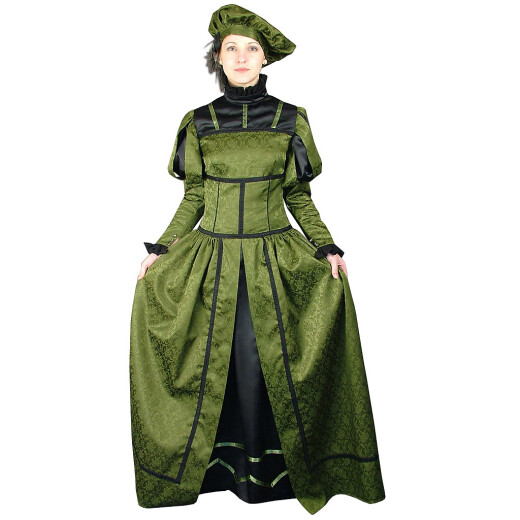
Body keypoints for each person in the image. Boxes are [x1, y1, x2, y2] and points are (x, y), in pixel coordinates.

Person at [130, 4, 386, 515]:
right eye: (232, 49)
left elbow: (298, 196)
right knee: (220, 364)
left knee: (263, 360)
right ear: (219, 58)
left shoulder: (291, 119)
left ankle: (279, 476)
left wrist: (326, 246)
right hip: (211, 259)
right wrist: (163, 248)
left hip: (275, 258)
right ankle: (214, 472)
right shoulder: (199, 122)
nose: (242, 57)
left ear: (264, 58)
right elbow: (194, 197)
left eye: (251, 49)